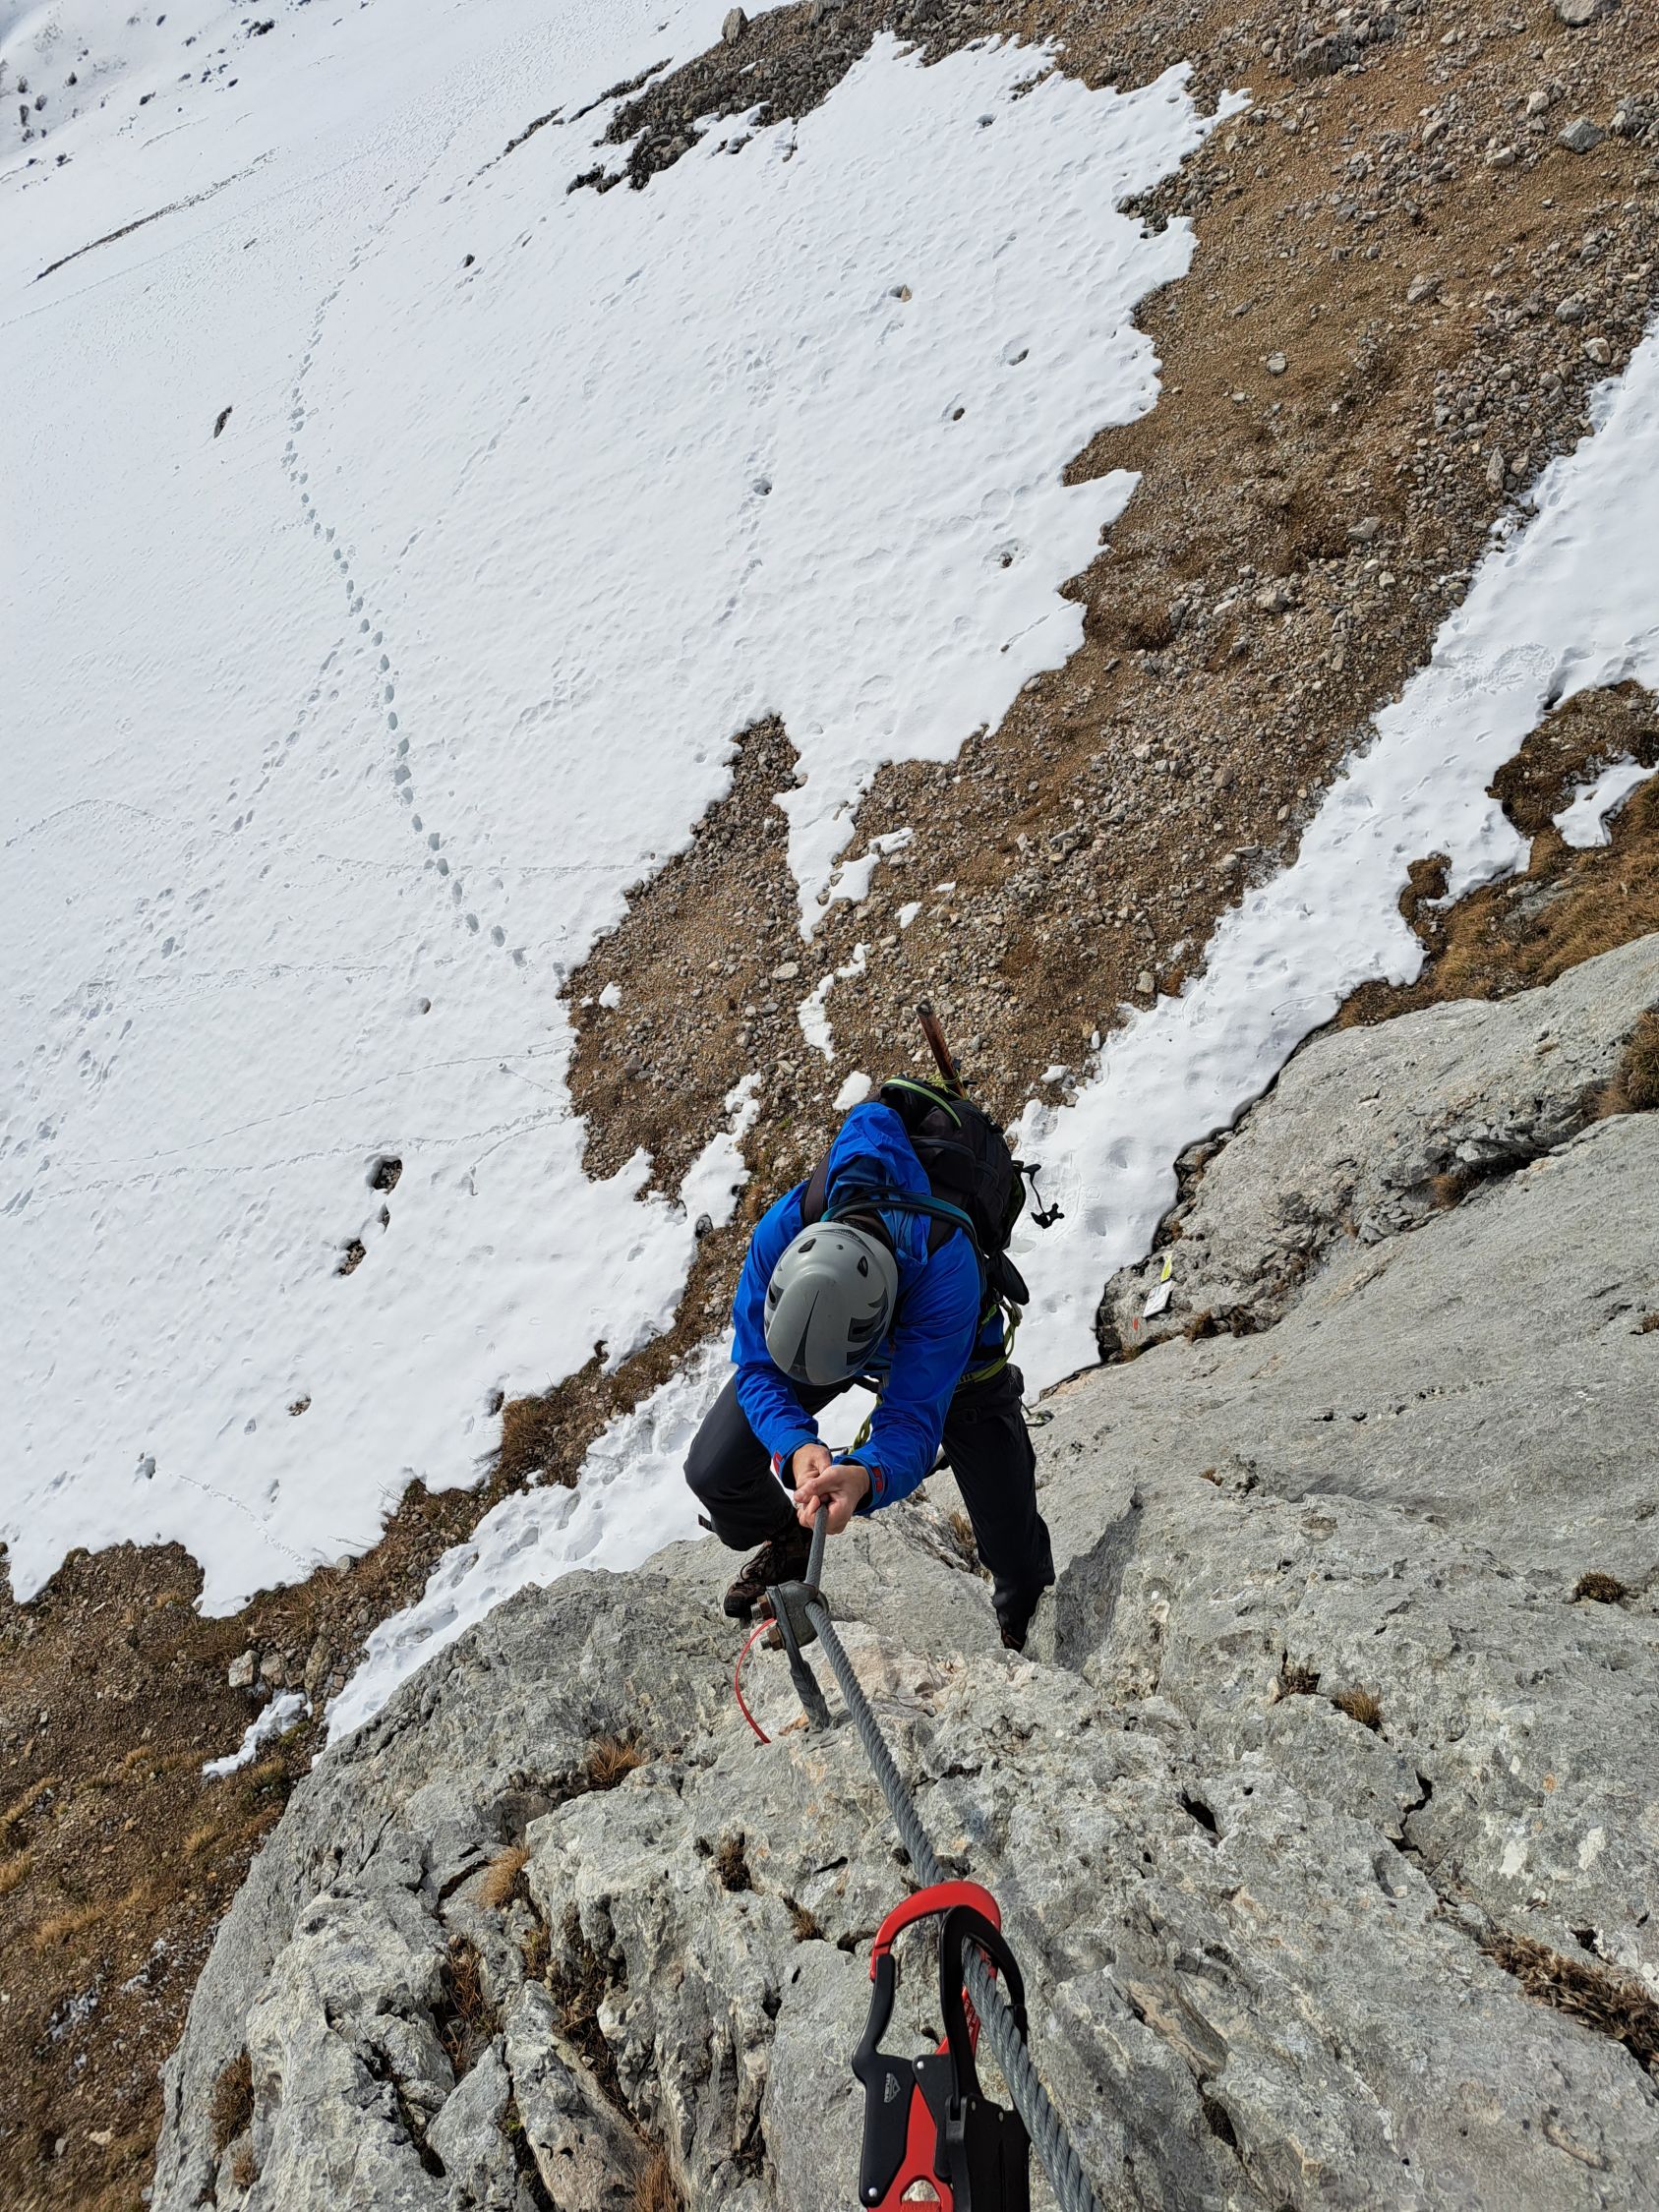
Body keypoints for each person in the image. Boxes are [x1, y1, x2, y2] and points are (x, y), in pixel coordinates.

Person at [683, 1094, 1054, 1650]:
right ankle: (787, 1539)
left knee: (1014, 1552)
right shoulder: (783, 1232)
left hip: (958, 1367)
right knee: (715, 1469)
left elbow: (911, 1419)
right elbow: (759, 1367)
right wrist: (793, 1445)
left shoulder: (943, 1267)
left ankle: (1023, 1629)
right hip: (833, 1335)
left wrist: (864, 1477)